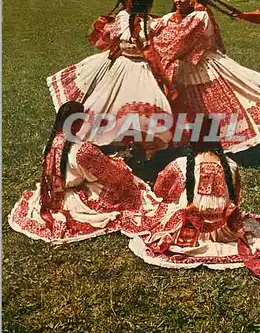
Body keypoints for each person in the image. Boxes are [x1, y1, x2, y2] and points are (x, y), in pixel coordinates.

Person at [152, 0, 260, 153]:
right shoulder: (200, 13)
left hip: (205, 64)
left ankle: (221, 141)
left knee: (214, 103)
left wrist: (152, 44)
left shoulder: (199, 16)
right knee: (206, 103)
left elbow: (179, 40)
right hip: (200, 64)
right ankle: (200, 140)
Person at [129, 139, 260, 282]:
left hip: (189, 229)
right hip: (224, 229)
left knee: (168, 208)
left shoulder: (180, 164)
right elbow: (235, 199)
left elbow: (161, 190)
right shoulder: (231, 165)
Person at [8, 101, 162, 243]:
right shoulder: (82, 150)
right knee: (127, 183)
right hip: (72, 199)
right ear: (77, 123)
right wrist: (122, 163)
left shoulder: (52, 142)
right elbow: (110, 173)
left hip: (52, 195)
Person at [47, 0, 174, 150]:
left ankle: (113, 139)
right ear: (150, 6)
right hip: (142, 68)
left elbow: (108, 35)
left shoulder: (122, 18)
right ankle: (139, 143)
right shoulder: (154, 25)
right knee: (145, 105)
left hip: (121, 65)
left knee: (108, 101)